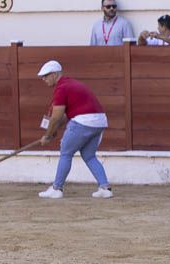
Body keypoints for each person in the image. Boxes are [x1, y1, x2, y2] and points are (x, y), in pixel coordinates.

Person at [36, 59, 113, 200]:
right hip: (100, 121)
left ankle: (56, 189)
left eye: (45, 76)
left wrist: (47, 135)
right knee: (89, 155)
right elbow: (65, 116)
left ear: (54, 74)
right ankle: (105, 188)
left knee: (66, 153)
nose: (43, 79)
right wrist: (52, 132)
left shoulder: (61, 88)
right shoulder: (72, 84)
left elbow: (56, 116)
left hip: (83, 121)